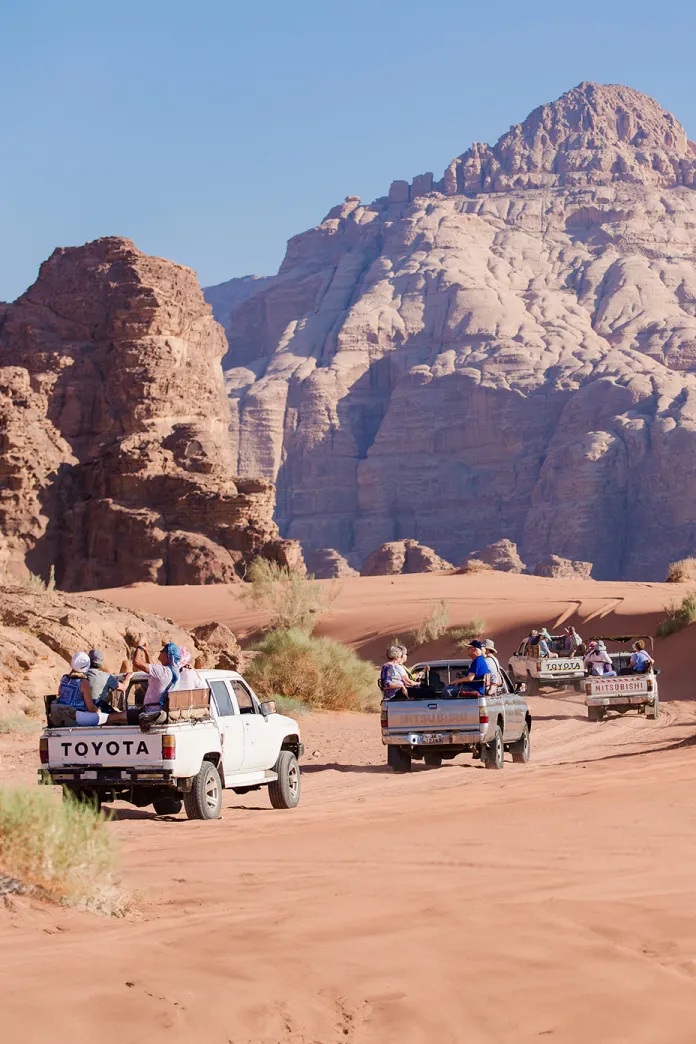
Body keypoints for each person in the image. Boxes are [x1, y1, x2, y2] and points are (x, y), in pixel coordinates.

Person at [53, 652, 127, 727]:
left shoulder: (64, 678)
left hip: (62, 713)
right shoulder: (83, 682)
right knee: (110, 717)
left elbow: (60, 694)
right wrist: (100, 711)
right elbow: (90, 708)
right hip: (77, 716)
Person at [132, 640, 184, 725]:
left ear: (167, 655)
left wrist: (139, 646)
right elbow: (154, 671)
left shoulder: (163, 671)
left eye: (163, 650)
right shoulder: (173, 672)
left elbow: (137, 662)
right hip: (159, 712)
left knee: (113, 717)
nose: (160, 652)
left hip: (151, 713)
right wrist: (147, 653)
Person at [85, 649, 131, 713]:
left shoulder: (80, 675)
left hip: (81, 710)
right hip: (98, 711)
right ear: (101, 663)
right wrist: (128, 678)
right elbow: (123, 687)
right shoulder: (106, 677)